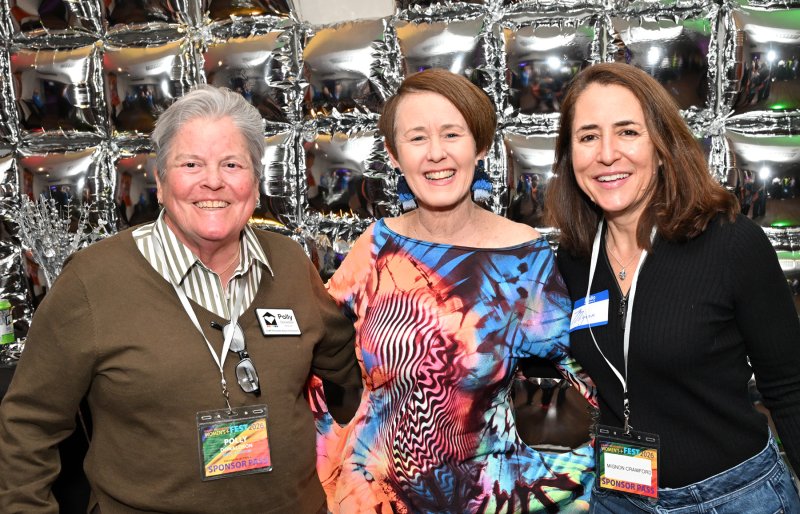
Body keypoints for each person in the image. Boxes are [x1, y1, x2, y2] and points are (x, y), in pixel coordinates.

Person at [0, 85, 359, 513]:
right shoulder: (93, 281)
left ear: (256, 182)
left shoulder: (289, 263)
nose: (213, 180)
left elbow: (349, 369)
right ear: (160, 179)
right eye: (191, 164)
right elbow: (28, 424)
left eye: (232, 164)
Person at [307, 68, 597, 513]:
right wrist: (327, 470)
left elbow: (576, 378)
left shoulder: (524, 257)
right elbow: (315, 354)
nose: (436, 154)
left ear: (480, 146)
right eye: (417, 138)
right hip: (376, 498)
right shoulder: (375, 248)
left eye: (452, 134)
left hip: (486, 497)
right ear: (394, 154)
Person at [545, 62, 800, 513]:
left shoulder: (731, 244)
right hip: (618, 498)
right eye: (587, 136)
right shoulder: (571, 259)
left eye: (627, 132)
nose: (606, 154)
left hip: (732, 498)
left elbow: (789, 386)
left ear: (662, 147)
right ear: (570, 156)